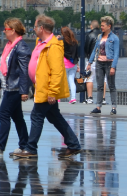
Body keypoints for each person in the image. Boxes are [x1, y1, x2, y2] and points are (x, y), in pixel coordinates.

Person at [11, 15, 81, 159]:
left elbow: (56, 71)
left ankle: (31, 148)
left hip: (47, 89)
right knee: (55, 117)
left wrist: (52, 92)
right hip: (41, 87)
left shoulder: (53, 46)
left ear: (41, 28)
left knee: (36, 116)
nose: (34, 29)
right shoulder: (42, 43)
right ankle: (73, 144)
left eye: (35, 27)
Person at [0, 18, 31, 156]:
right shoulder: (10, 46)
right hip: (9, 86)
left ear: (13, 30)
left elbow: (25, 71)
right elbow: (6, 68)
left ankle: (0, 145)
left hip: (15, 88)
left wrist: (24, 91)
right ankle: (24, 145)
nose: (4, 32)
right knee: (17, 117)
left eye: (6, 29)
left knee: (4, 113)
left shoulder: (21, 47)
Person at [88, 16, 119, 115]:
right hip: (99, 63)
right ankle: (98, 107)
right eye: (101, 25)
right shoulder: (99, 37)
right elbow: (95, 50)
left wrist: (113, 67)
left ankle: (114, 107)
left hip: (109, 63)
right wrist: (90, 62)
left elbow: (116, 54)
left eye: (103, 25)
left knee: (111, 86)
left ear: (109, 26)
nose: (101, 27)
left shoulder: (114, 38)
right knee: (100, 86)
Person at [83, 20, 100, 103]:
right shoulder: (103, 35)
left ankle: (90, 98)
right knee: (103, 79)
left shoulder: (90, 35)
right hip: (101, 59)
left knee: (89, 78)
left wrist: (88, 56)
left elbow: (86, 47)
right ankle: (103, 99)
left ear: (91, 26)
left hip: (91, 60)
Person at [60, 27, 78, 104]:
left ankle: (59, 98)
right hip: (73, 64)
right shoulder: (75, 42)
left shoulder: (62, 41)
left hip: (64, 63)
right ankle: (73, 98)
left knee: (61, 80)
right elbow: (77, 54)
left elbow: (60, 51)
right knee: (71, 81)